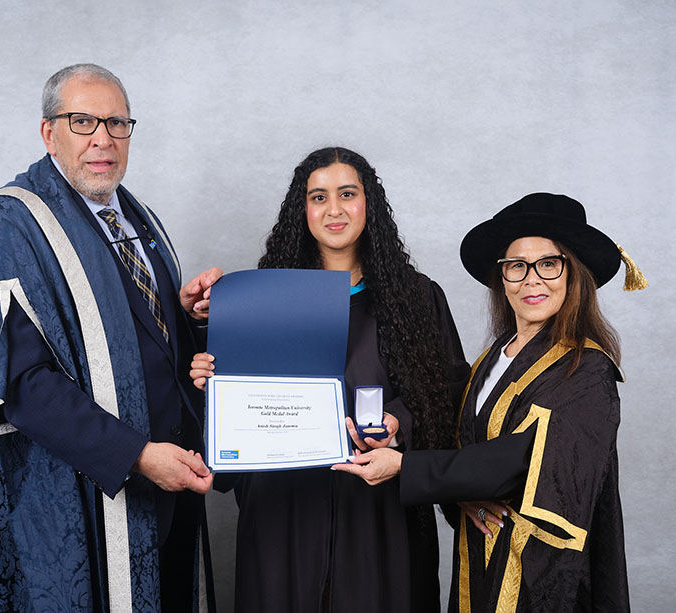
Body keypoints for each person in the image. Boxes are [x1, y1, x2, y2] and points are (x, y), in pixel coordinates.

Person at [0, 64, 222, 611]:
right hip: (77, 502)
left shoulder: (137, 219)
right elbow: (21, 384)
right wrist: (138, 456)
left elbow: (140, 338)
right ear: (49, 132)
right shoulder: (0, 231)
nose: (103, 139)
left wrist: (189, 317)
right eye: (82, 121)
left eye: (117, 123)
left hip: (172, 491)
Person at [190, 147, 470, 612]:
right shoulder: (261, 298)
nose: (334, 209)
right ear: (302, 210)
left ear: (369, 204)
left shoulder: (417, 297)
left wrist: (398, 421)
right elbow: (233, 410)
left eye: (347, 194)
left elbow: (450, 389)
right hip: (285, 511)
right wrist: (212, 382)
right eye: (318, 197)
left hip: (380, 510)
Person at [335, 192, 646, 611]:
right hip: (483, 553)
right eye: (516, 266)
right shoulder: (491, 359)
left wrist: (406, 467)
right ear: (502, 278)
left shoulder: (586, 369)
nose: (531, 279)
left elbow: (522, 459)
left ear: (574, 275)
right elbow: (461, 442)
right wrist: (406, 445)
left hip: (543, 566)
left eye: (548, 264)